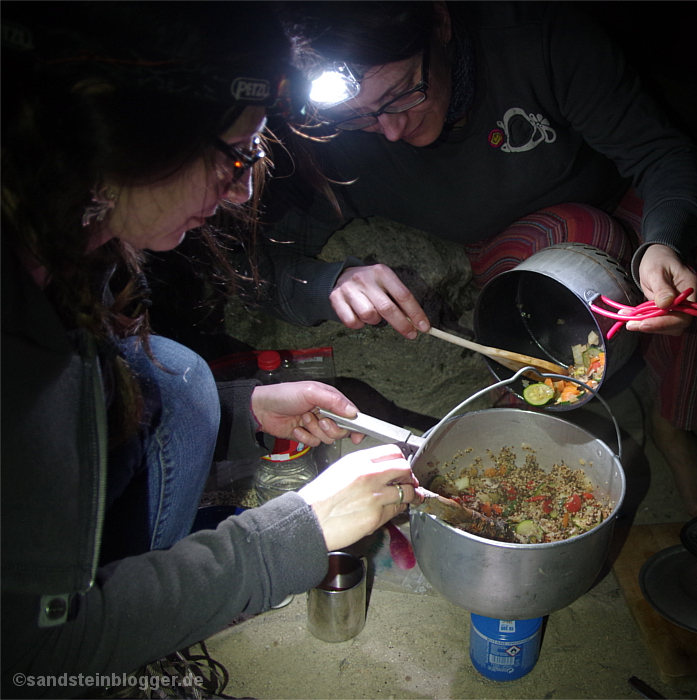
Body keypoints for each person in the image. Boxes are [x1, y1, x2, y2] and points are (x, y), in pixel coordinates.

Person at [0, 3, 421, 692]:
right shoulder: (15, 339)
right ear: (134, 133)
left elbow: (103, 398)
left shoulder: (65, 231)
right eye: (233, 155)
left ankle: (135, 614)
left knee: (182, 380)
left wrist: (242, 412)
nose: (243, 189)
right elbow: (25, 652)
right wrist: (298, 531)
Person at [248, 1, 697, 518]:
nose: (390, 130)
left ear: (438, 22)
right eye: (360, 115)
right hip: (521, 237)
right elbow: (259, 263)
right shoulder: (332, 134)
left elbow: (663, 154)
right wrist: (329, 281)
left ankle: (673, 420)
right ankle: (538, 412)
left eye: (402, 95)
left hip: (608, 187)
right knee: (577, 232)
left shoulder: (536, 38)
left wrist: (664, 240)